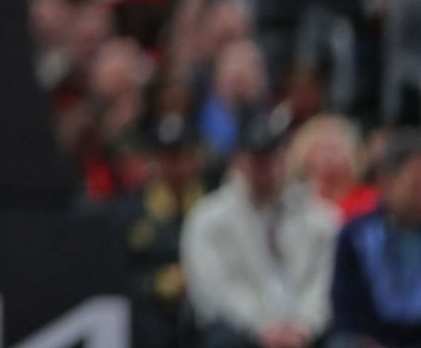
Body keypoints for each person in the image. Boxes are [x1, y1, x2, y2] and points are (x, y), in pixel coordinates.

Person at [180, 110, 337, 348]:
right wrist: (262, 326)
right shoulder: (209, 219)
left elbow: (326, 281)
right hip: (241, 331)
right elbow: (213, 290)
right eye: (256, 158)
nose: (264, 167)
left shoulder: (320, 217)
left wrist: (305, 325)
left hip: (305, 331)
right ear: (238, 160)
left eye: (271, 156)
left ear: (285, 157)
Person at [117, 114, 206, 348]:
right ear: (156, 160)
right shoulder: (134, 211)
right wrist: (158, 283)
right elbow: (121, 273)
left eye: (183, 156)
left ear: (195, 158)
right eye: (169, 157)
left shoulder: (212, 205)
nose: (176, 166)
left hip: (205, 309)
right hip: (154, 312)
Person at [330, 131, 421, 347]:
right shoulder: (356, 234)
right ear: (387, 182)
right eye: (416, 186)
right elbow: (345, 306)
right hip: (370, 339)